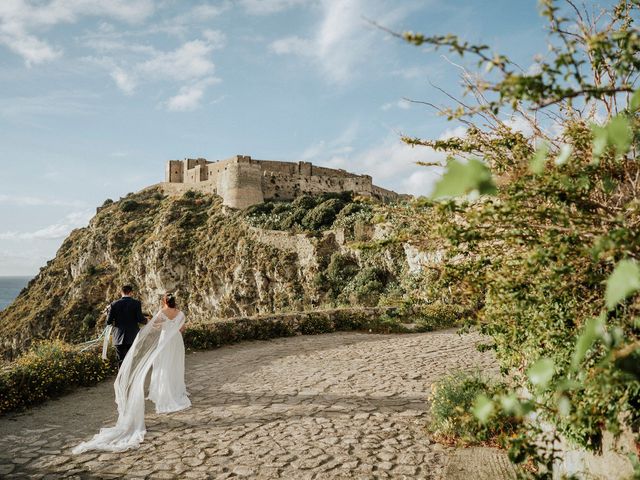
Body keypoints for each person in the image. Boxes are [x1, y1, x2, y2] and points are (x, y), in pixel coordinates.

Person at [73, 292, 191, 453]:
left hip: (164, 340)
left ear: (164, 301)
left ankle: (163, 391)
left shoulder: (161, 313)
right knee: (175, 366)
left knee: (162, 366)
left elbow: (155, 326)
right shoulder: (181, 313)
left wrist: (159, 324)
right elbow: (182, 328)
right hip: (176, 341)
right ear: (174, 301)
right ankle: (176, 391)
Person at [106, 285, 147, 367]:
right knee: (133, 359)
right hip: (132, 336)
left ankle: (121, 379)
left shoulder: (113, 304)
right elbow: (140, 319)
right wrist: (148, 321)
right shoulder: (136, 303)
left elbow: (108, 322)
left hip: (118, 336)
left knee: (121, 361)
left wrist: (107, 313)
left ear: (121, 292)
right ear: (131, 292)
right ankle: (132, 379)